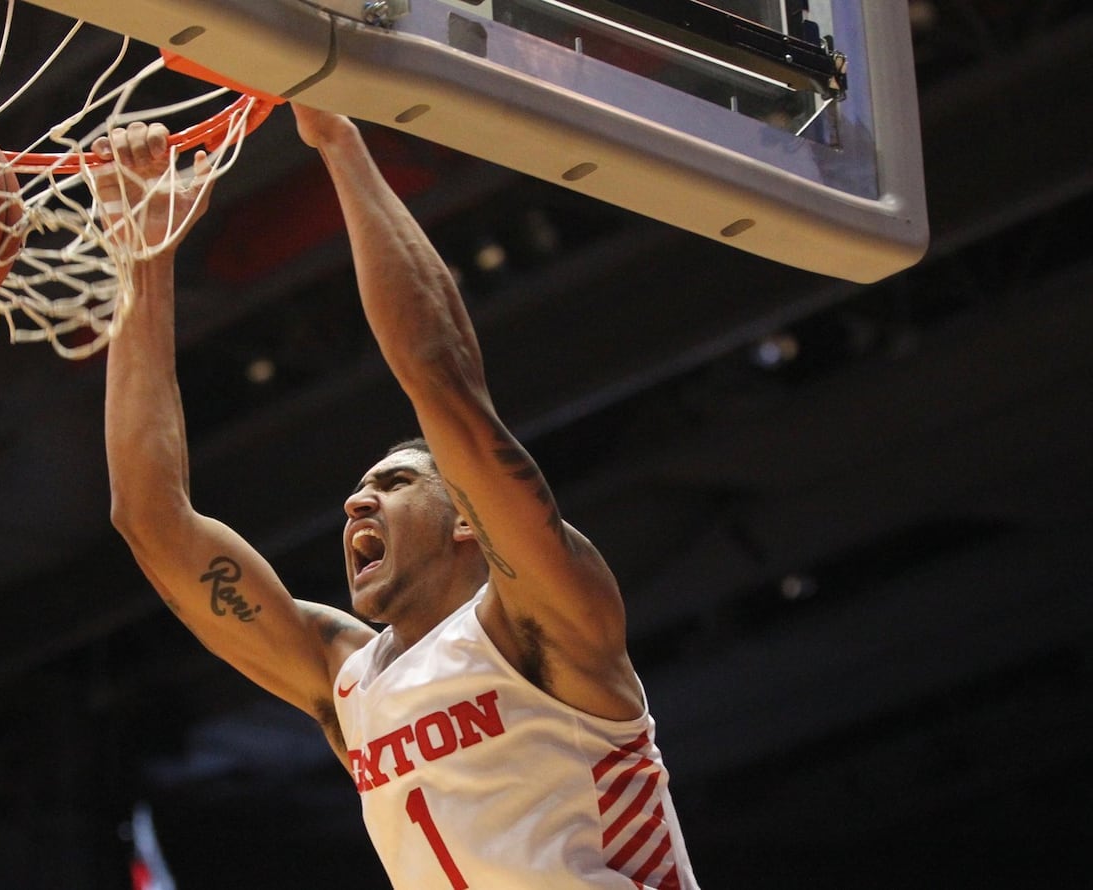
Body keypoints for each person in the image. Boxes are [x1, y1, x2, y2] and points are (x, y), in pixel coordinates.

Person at [99, 108, 701, 890]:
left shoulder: (547, 621)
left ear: (467, 522)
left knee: (445, 400)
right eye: (358, 491)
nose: (356, 504)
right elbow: (149, 519)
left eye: (393, 483)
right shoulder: (347, 681)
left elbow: (442, 379)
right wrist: (142, 254)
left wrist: (338, 140)